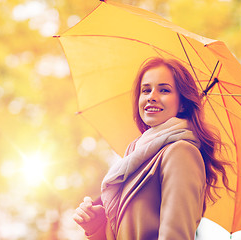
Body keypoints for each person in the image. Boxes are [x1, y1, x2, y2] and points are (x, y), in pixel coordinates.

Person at [73, 57, 231, 240]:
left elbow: (175, 236)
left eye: (164, 90)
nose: (151, 97)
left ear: (182, 103)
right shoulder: (135, 156)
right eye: (146, 90)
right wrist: (97, 227)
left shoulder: (181, 153)